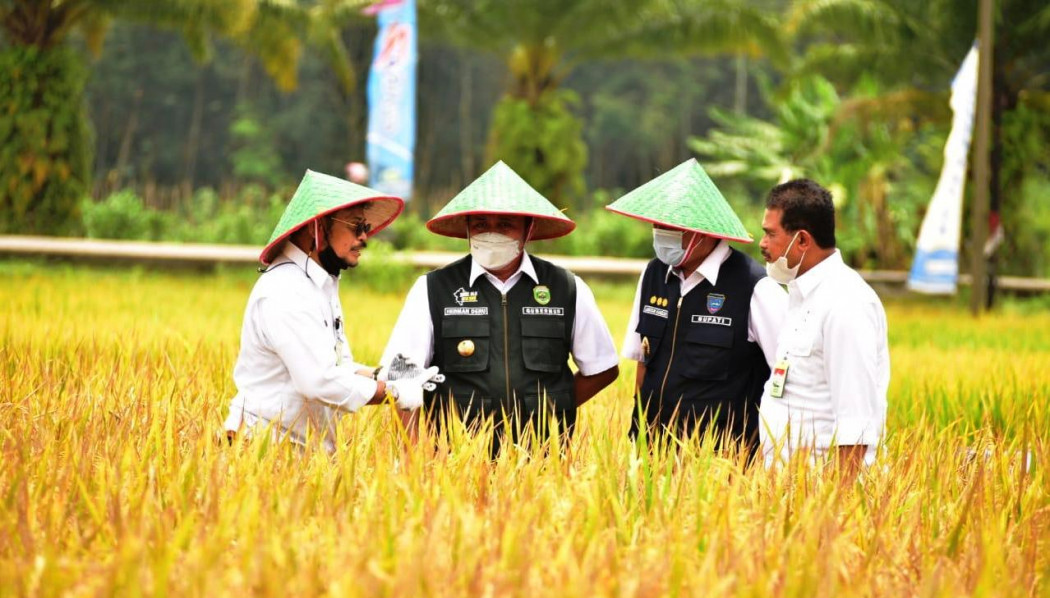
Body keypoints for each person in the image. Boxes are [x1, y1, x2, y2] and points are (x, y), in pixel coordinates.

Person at [381, 161, 620, 448]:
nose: (491, 232)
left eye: (505, 224)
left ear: (528, 229)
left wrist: (553, 408)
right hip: (456, 461)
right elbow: (401, 374)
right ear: (468, 229)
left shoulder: (566, 288)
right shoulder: (433, 289)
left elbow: (603, 368)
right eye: (481, 224)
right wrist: (415, 453)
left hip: (544, 464)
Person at [224, 169, 442, 452]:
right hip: (267, 450)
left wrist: (387, 374)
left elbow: (339, 366)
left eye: (365, 227)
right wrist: (394, 392)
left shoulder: (320, 285)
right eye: (356, 226)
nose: (365, 237)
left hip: (305, 453)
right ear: (316, 227)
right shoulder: (285, 290)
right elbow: (318, 380)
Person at [607, 158, 785, 451]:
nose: (660, 232)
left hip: (722, 463)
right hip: (652, 453)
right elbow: (642, 363)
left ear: (705, 229)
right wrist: (639, 437)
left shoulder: (755, 287)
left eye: (670, 225)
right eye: (656, 223)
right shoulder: (653, 274)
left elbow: (785, 377)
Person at [756, 178, 890, 478]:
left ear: (802, 240)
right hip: (788, 490)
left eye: (770, 234)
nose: (762, 244)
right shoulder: (800, 295)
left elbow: (856, 423)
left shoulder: (845, 302)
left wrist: (835, 511)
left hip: (821, 494)